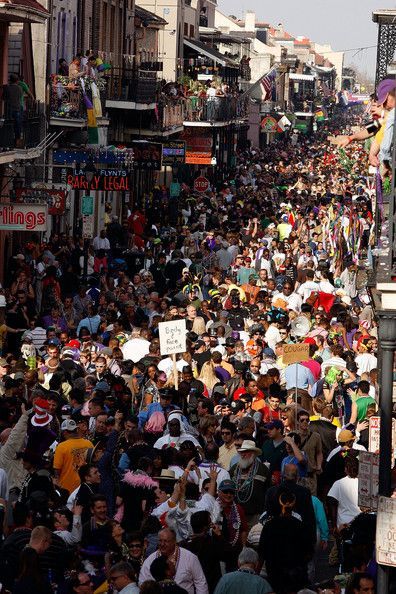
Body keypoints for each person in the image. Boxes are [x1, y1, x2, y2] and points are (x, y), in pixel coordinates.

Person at [139, 528, 209, 594]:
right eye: (160, 541)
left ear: (174, 541)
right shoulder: (149, 560)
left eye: (166, 541)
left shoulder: (190, 557)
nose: (162, 544)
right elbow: (143, 584)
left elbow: (201, 583)